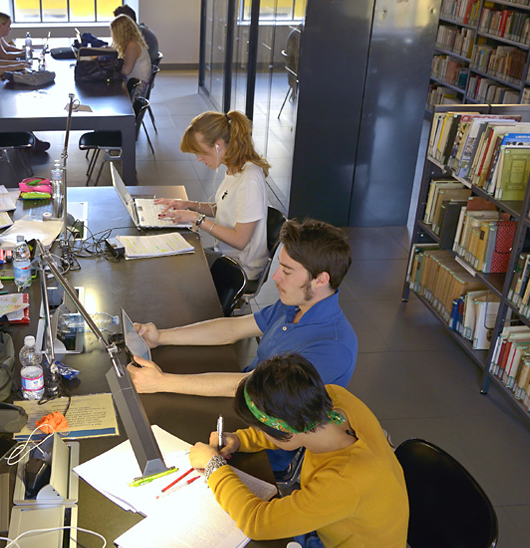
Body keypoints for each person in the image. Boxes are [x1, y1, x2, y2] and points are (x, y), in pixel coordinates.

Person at [187, 354, 405, 548]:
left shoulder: (346, 479)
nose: (259, 432)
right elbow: (291, 429)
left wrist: (213, 466)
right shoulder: (333, 399)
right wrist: (240, 439)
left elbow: (257, 522)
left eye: (261, 429)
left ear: (283, 429)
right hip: (332, 534)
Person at [128, 217, 356, 395]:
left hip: (264, 437)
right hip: (244, 398)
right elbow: (232, 329)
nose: (275, 277)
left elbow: (253, 386)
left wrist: (163, 382)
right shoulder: (296, 305)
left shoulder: (332, 347)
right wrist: (161, 337)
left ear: (321, 280)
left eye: (286, 271)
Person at [158, 110, 270, 281]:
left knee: (172, 271)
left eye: (200, 152)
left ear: (218, 145)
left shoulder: (250, 179)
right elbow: (226, 209)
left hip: (239, 269)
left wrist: (198, 219)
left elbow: (240, 240)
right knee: (170, 260)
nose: (198, 159)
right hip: (224, 255)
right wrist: (188, 205)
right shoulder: (234, 168)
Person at [109, 14, 151, 100]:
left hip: (137, 89)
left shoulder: (131, 46)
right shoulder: (135, 42)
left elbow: (126, 71)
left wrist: (111, 66)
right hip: (140, 84)